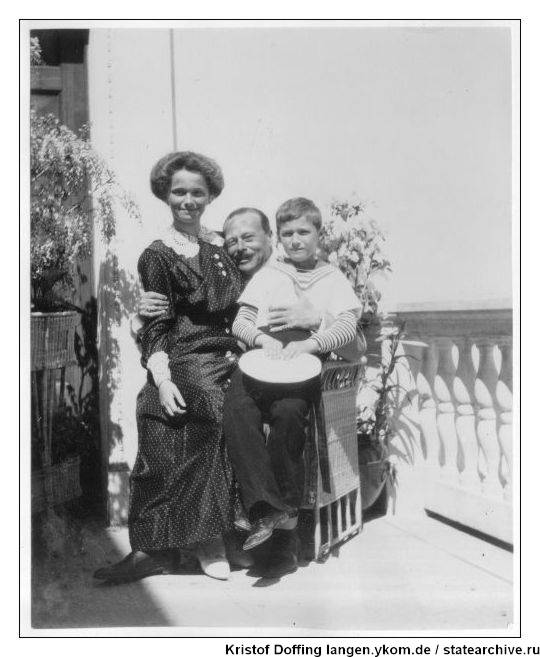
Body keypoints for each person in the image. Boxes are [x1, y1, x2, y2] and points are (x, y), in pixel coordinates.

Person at [94, 151, 246, 584]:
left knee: (228, 407)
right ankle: (168, 547)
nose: (188, 200)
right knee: (182, 409)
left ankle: (217, 537)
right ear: (166, 195)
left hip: (230, 349)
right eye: (180, 191)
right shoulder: (158, 256)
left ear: (210, 196)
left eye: (198, 192)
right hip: (184, 354)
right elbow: (157, 324)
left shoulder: (223, 246)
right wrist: (161, 380)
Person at [223, 198, 362, 579]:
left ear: (319, 234)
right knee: (237, 409)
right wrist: (260, 339)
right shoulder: (270, 274)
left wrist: (310, 344)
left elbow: (347, 327)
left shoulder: (332, 278)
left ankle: (283, 535)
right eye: (287, 234)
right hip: (263, 355)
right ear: (278, 237)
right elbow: (241, 321)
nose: (296, 240)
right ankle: (266, 508)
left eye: (304, 232)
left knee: (288, 415)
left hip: (303, 360)